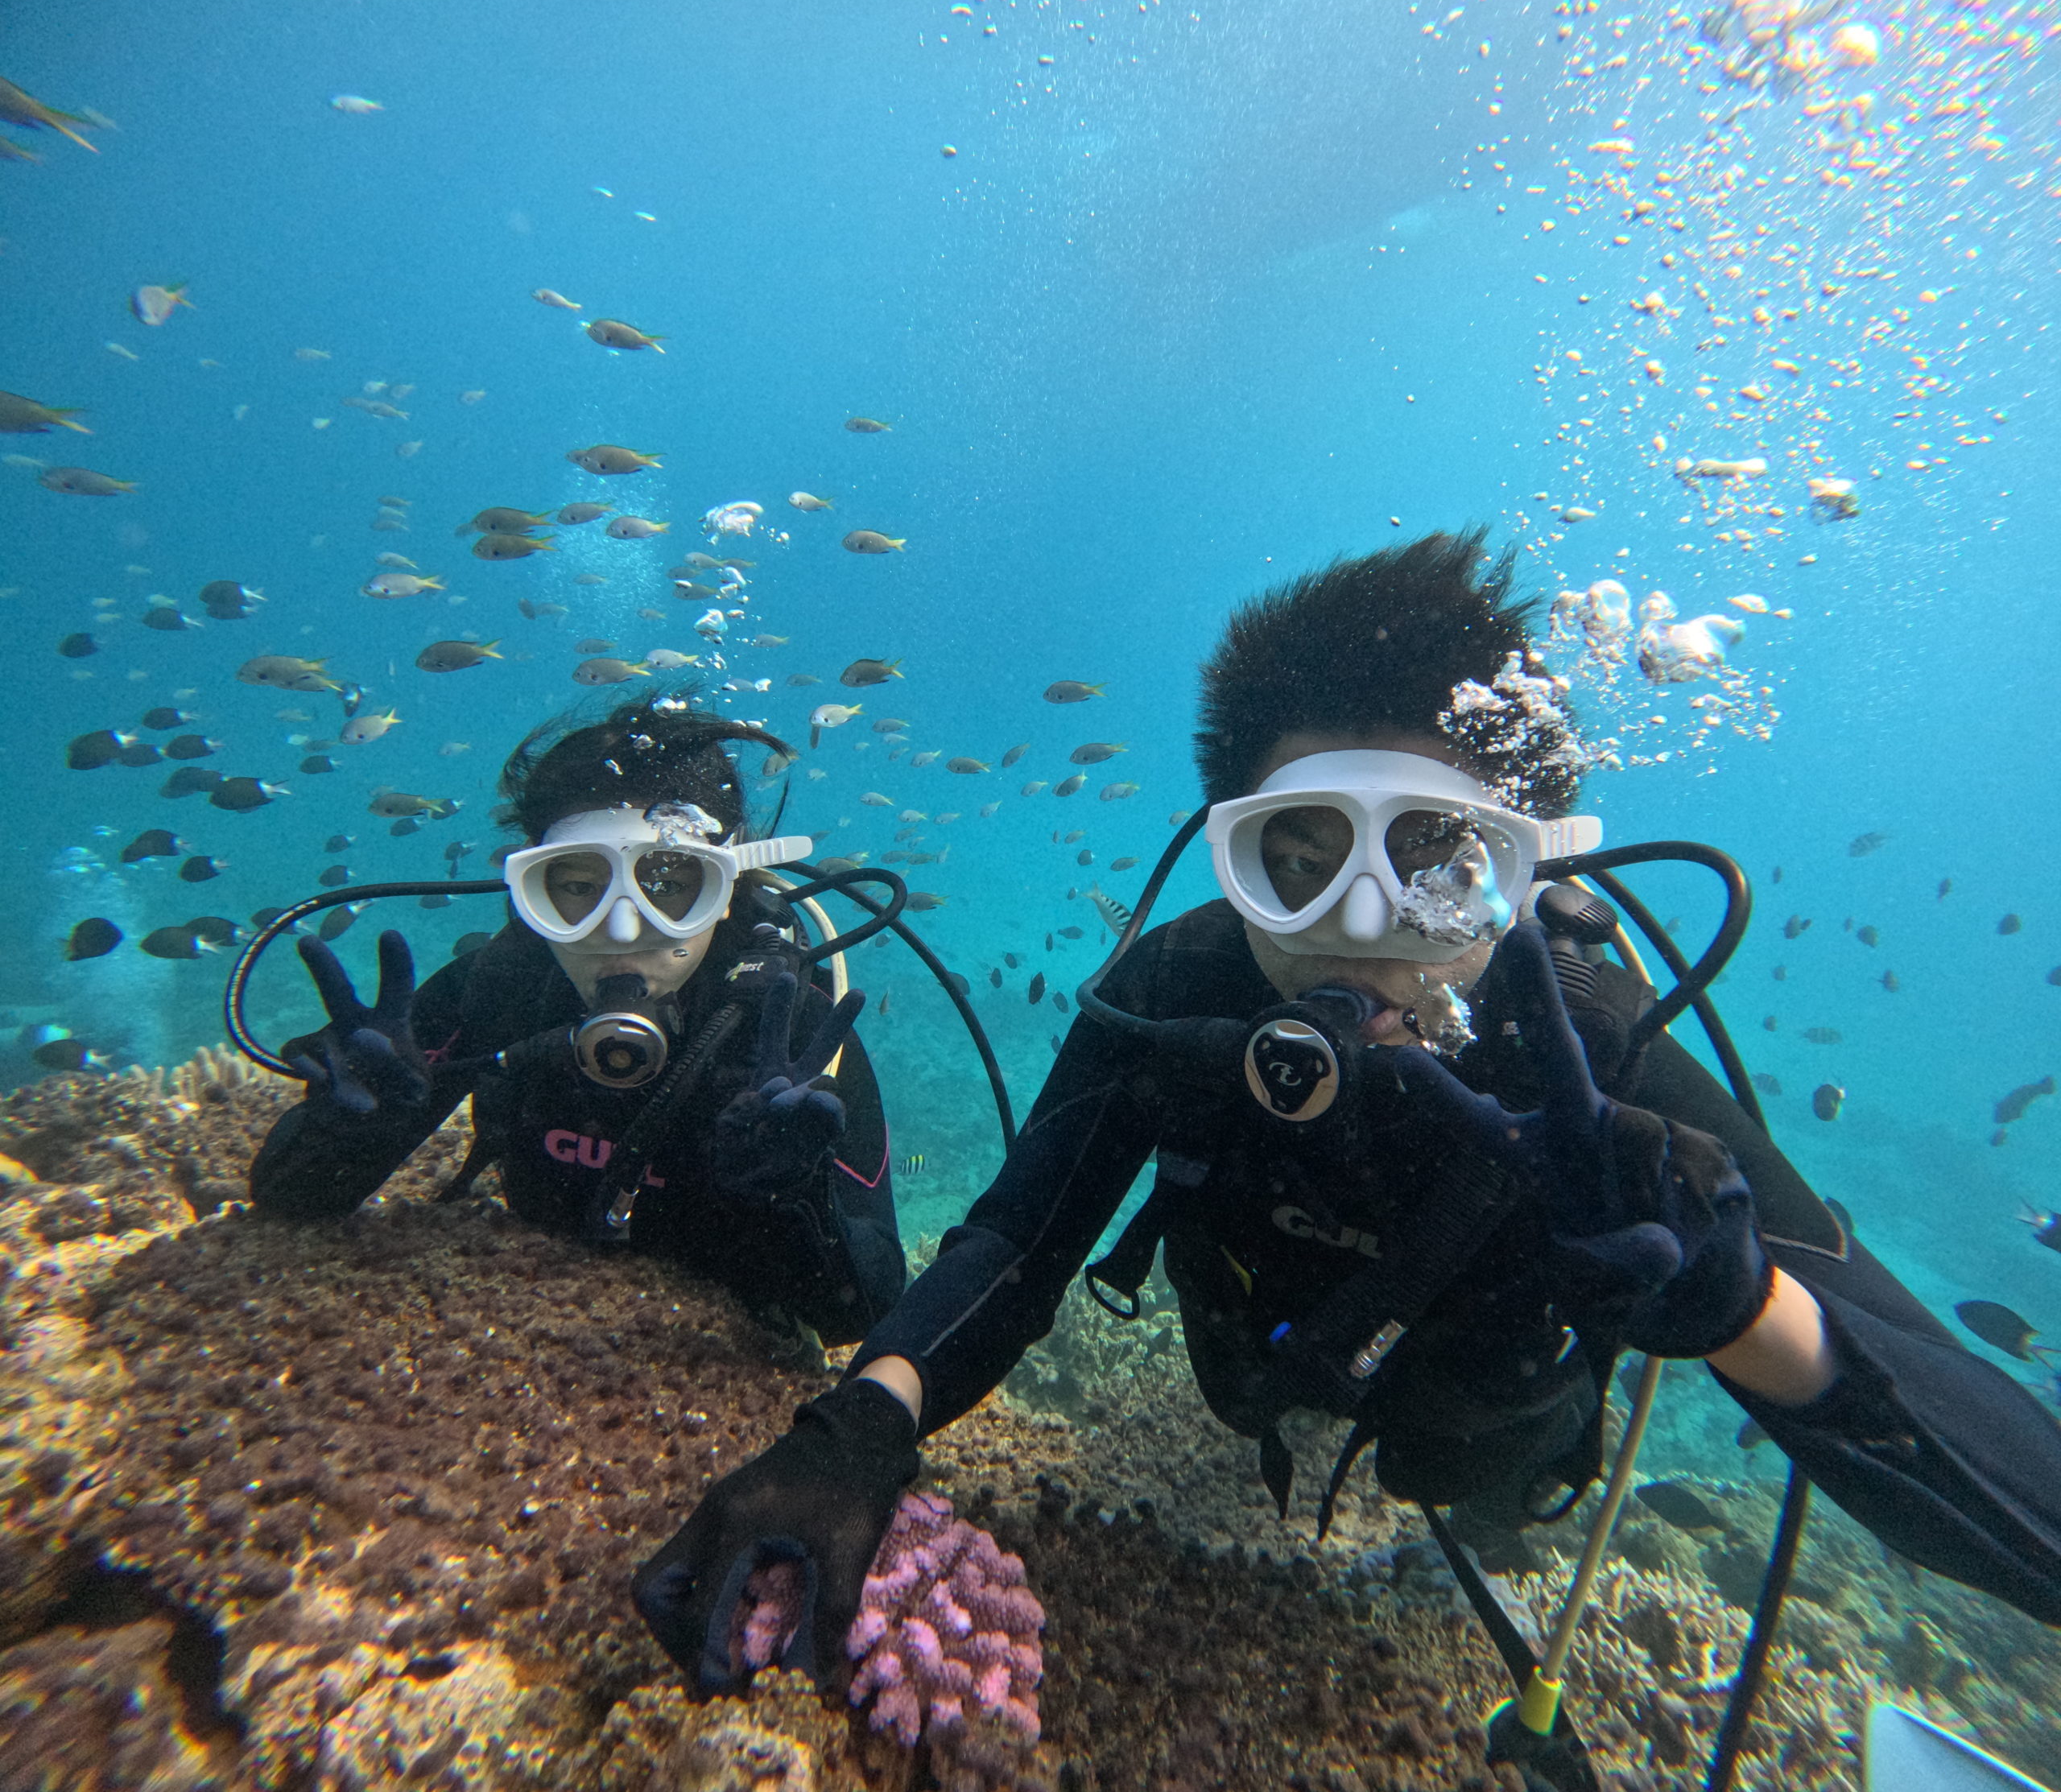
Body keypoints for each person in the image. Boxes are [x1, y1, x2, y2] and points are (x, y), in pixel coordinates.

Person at [632, 531, 2061, 1698]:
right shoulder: (1175, 986)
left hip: (1480, 1411)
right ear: (1224, 852)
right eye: (1294, 862)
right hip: (1249, 1365)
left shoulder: (1589, 1050)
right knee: (1246, 1382)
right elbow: (1017, 1240)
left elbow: (2031, 1518)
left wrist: (1754, 1314)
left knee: (1483, 1472)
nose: (1365, 929)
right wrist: (855, 1429)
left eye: (1445, 866)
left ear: (1524, 875)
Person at [250, 692, 905, 1345]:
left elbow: (862, 1316)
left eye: (672, 885)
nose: (621, 931)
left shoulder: (787, 1032)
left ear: (727, 889)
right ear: (530, 890)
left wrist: (797, 1199)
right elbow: (290, 1202)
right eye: (574, 887)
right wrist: (343, 1136)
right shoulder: (500, 987)